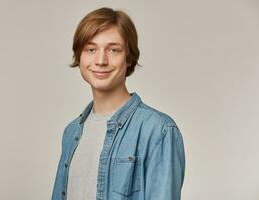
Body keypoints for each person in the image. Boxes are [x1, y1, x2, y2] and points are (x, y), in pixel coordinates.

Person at [52, 7, 186, 200]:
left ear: (129, 58)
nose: (100, 60)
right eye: (91, 49)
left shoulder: (159, 130)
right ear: (79, 57)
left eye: (113, 50)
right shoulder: (71, 132)